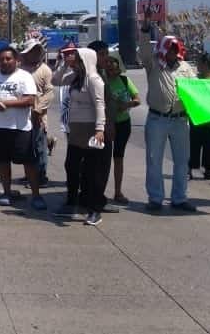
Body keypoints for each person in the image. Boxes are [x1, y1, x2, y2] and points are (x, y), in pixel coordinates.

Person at [139, 15, 198, 212]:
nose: (173, 52)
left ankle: (180, 198)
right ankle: (155, 198)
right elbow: (144, 50)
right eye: (170, 48)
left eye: (175, 49)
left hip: (180, 120)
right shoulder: (154, 64)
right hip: (158, 118)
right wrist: (145, 30)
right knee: (154, 159)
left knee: (182, 161)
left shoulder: (187, 68)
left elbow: (197, 90)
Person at [0, 46, 41, 209]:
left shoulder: (24, 77)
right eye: (1, 59)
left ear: (16, 60)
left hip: (20, 129)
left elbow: (29, 101)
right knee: (3, 162)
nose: (4, 62)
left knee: (29, 162)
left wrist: (8, 103)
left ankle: (36, 196)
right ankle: (6, 193)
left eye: (8, 59)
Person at [51, 47, 108, 225]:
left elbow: (100, 104)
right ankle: (71, 202)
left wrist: (100, 129)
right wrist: (62, 64)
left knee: (92, 170)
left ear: (86, 60)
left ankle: (94, 209)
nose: (73, 60)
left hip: (91, 128)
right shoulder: (76, 77)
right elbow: (56, 80)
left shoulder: (94, 79)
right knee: (71, 166)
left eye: (76, 58)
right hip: (75, 128)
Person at [104, 55, 140, 203]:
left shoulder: (125, 80)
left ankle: (118, 192)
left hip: (123, 123)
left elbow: (137, 100)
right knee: (103, 159)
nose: (112, 70)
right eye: (109, 67)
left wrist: (126, 105)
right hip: (106, 124)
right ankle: (100, 192)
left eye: (114, 67)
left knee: (118, 158)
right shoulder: (101, 82)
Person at [19, 38, 54, 188]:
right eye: (31, 51)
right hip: (22, 113)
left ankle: (41, 177)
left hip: (38, 114)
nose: (34, 54)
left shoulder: (45, 70)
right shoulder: (20, 69)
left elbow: (49, 93)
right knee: (27, 146)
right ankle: (29, 175)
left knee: (39, 146)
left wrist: (38, 110)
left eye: (36, 51)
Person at [189, 54, 210, 181]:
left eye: (199, 63)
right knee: (194, 144)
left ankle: (208, 170)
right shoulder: (194, 79)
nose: (197, 66)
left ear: (206, 65)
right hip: (197, 116)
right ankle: (190, 169)